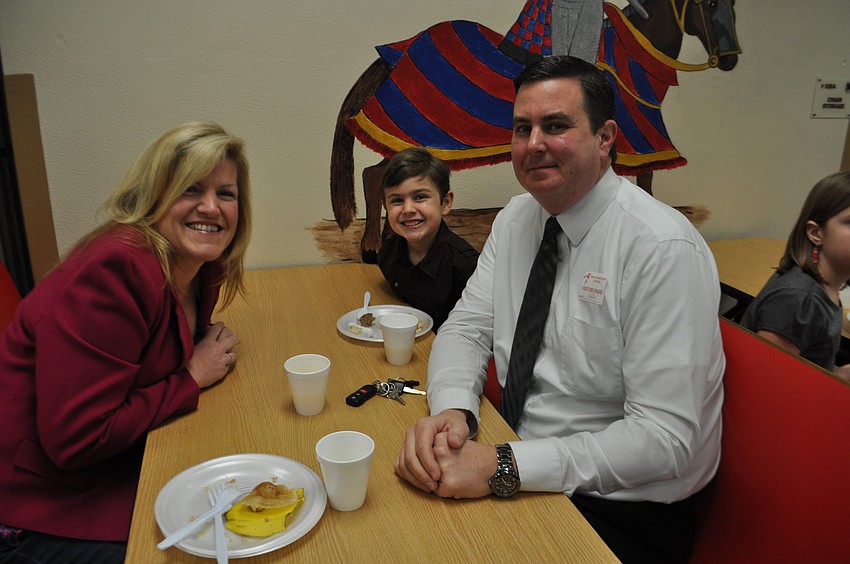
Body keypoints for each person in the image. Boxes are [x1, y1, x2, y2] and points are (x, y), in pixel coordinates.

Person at [394, 56, 724, 563]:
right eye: (522, 128)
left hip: (619, 508)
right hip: (515, 454)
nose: (533, 145)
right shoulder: (517, 218)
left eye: (556, 126)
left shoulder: (661, 248)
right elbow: (465, 328)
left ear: (605, 137)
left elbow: (663, 440)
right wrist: (452, 411)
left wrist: (504, 465)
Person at [0, 121, 251, 563]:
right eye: (190, 190)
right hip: (44, 504)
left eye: (226, 194)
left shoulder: (196, 265)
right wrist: (191, 375)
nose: (211, 207)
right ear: (154, 195)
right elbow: (77, 440)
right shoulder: (116, 267)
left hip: (120, 460)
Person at [741, 171, 850, 380]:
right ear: (816, 233)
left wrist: (837, 375)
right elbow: (766, 385)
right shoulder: (799, 299)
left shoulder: (827, 285)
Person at [377, 147, 479, 331]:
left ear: (445, 203)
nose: (408, 209)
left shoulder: (467, 269)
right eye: (397, 200)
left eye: (420, 197)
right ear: (385, 206)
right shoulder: (387, 253)